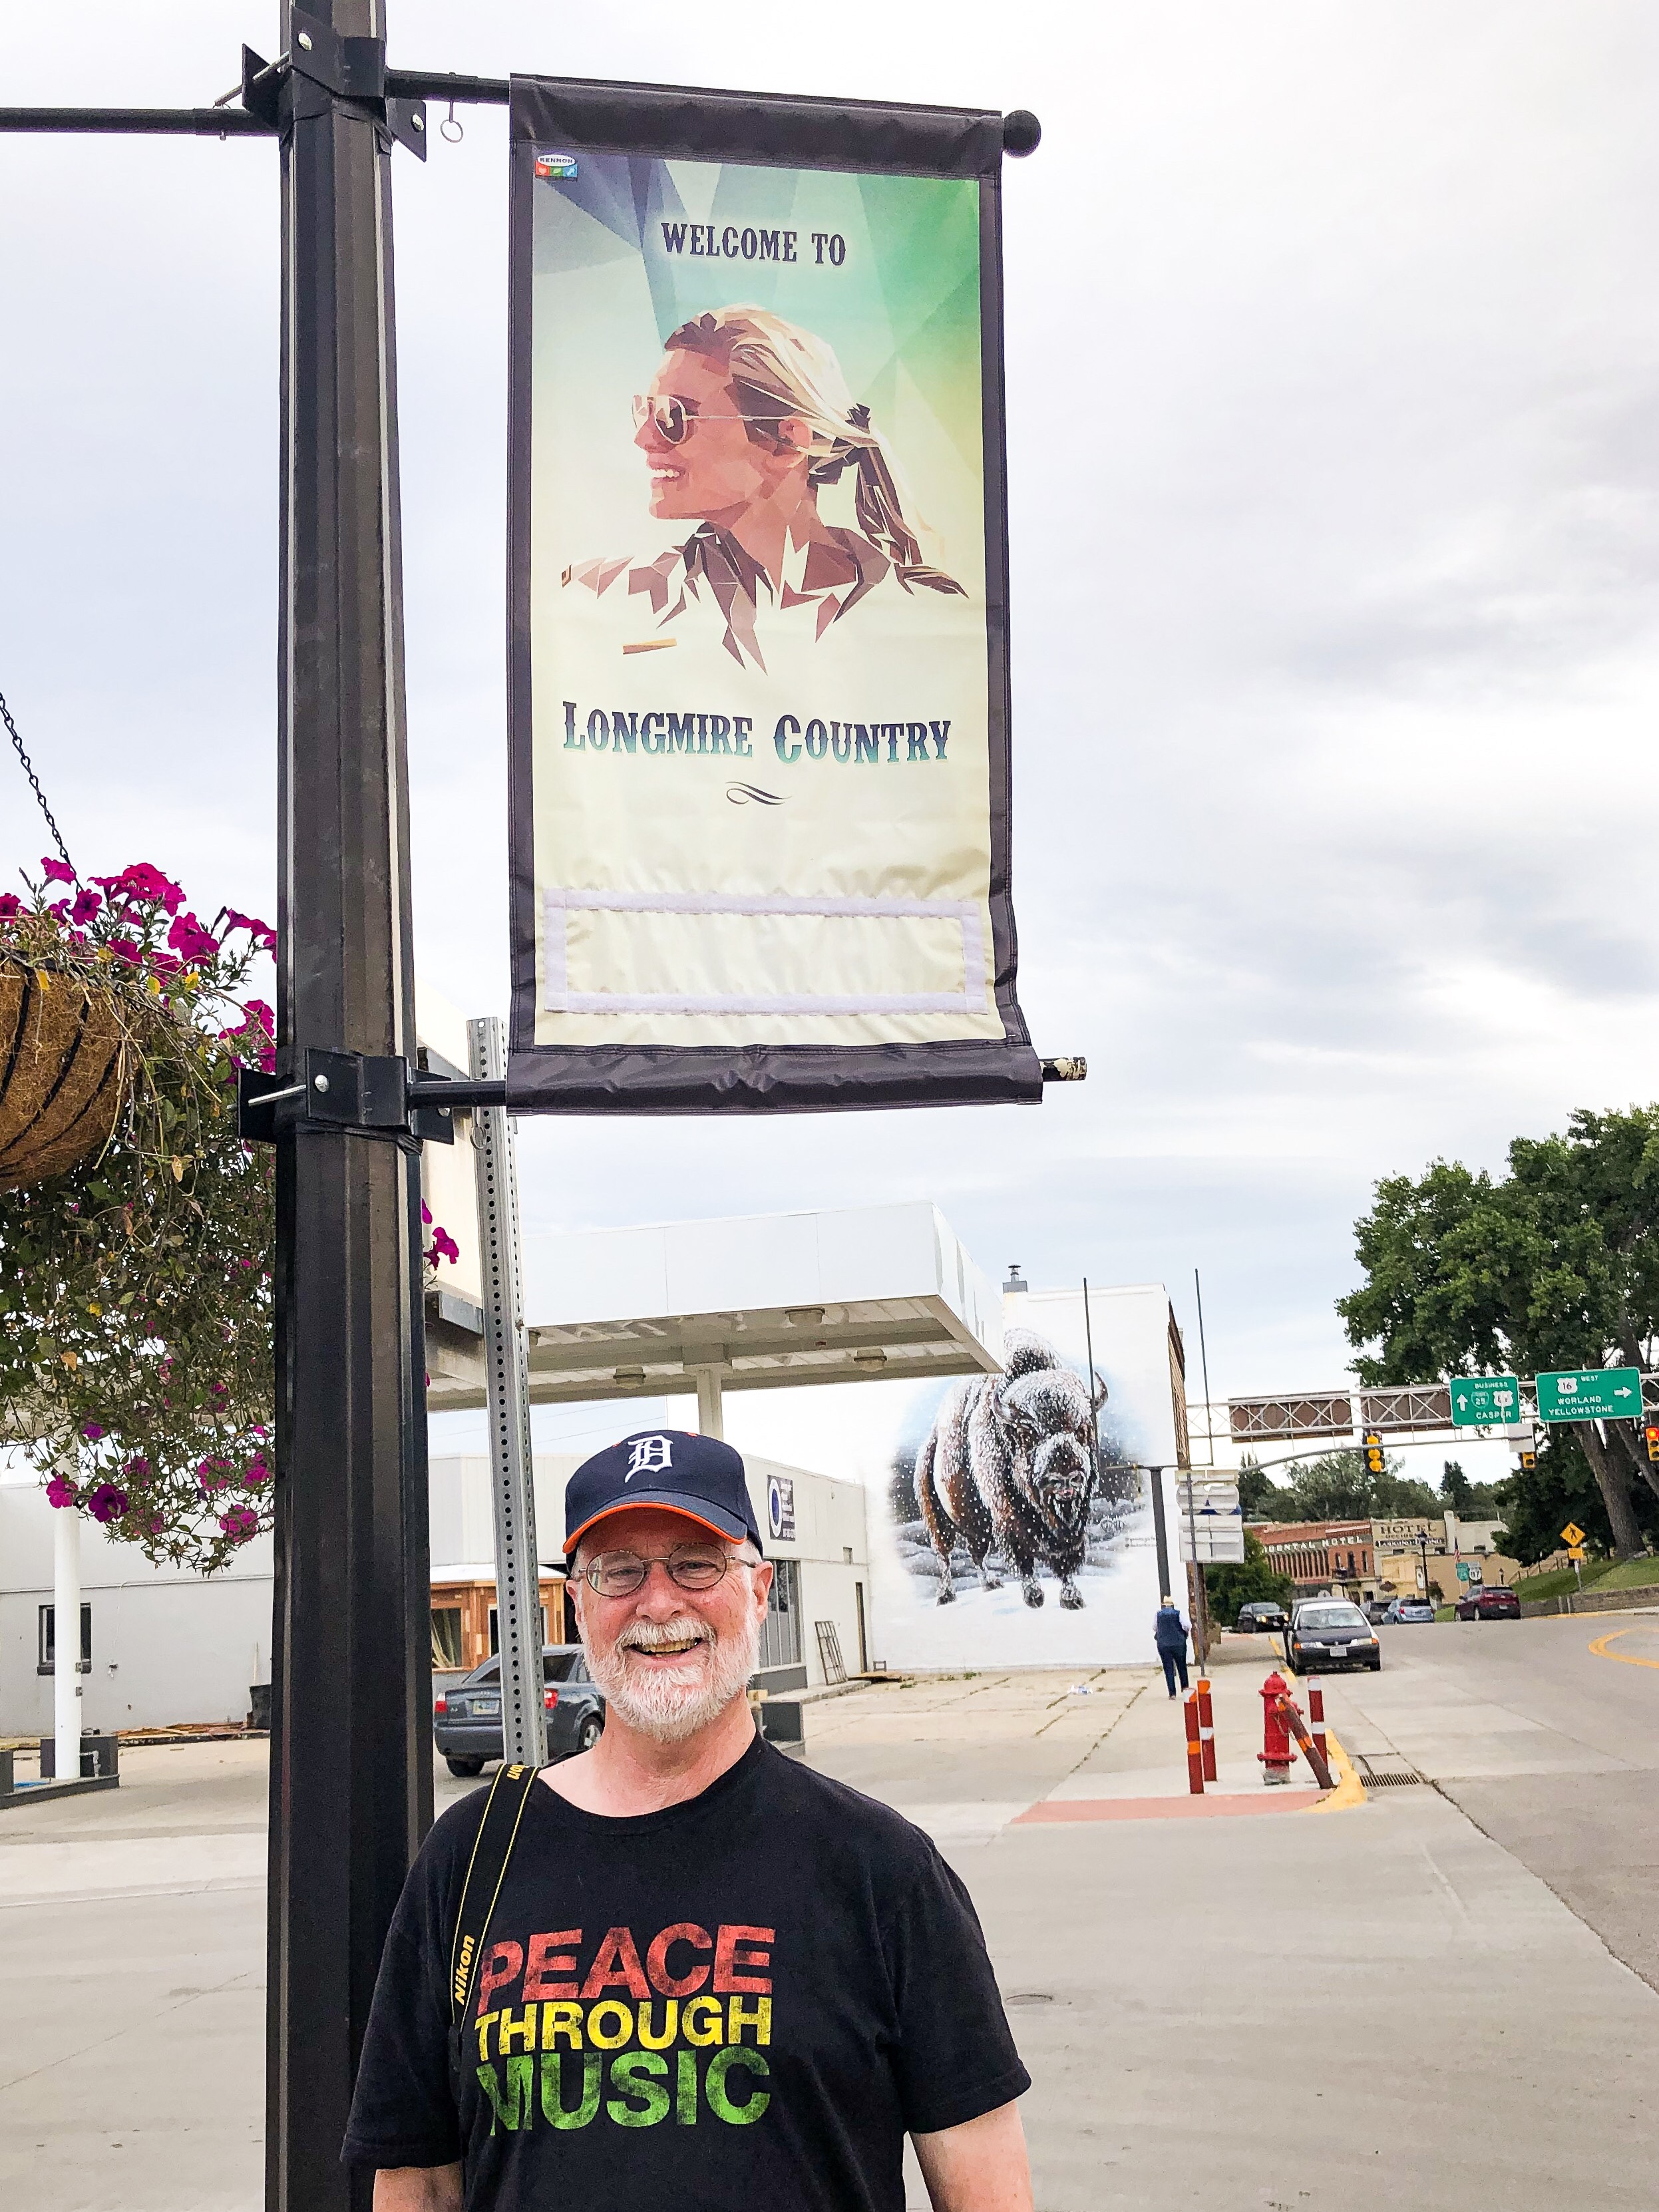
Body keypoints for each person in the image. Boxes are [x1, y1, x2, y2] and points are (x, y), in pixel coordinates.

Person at [343, 1428, 1033, 2212]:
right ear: (578, 1604)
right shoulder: (470, 1858)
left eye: (697, 1564)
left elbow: (987, 2191)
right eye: (620, 1570)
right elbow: (418, 2180)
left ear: (759, 1590)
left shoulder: (883, 1870)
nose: (660, 1602)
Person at [563, 305, 964, 669]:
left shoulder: (927, 614)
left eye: (673, 416)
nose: (644, 439)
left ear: (785, 443)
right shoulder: (602, 593)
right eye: (645, 412)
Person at [1154, 1593, 1190, 1698]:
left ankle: (1172, 1693)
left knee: (1168, 1668)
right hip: (1178, 1643)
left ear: (1164, 1605)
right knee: (1182, 1666)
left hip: (1163, 1645)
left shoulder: (1158, 1615)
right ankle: (1185, 1688)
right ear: (1172, 1605)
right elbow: (1187, 1626)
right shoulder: (1178, 1614)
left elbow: (1155, 1627)